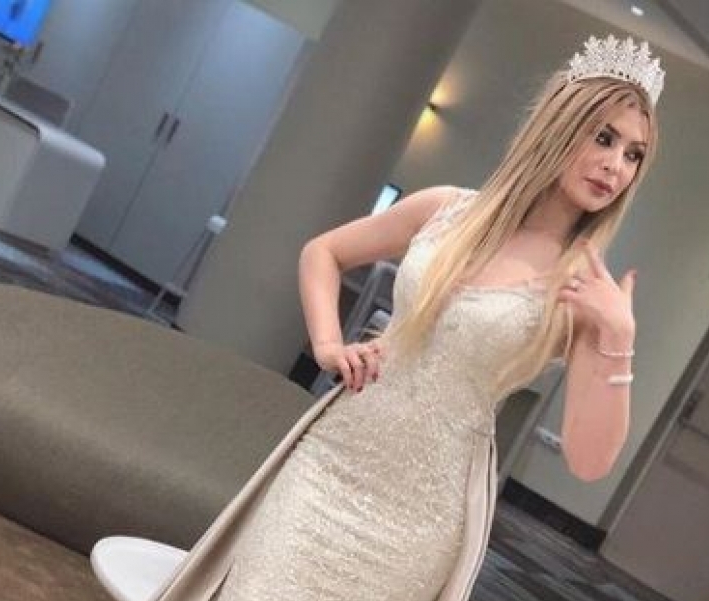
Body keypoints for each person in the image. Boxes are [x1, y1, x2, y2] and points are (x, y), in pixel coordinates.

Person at [154, 34, 665, 601]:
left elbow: (590, 462)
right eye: (604, 137)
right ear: (558, 127)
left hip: (421, 518)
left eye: (633, 155)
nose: (615, 165)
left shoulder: (583, 290)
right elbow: (324, 252)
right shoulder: (446, 210)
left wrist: (619, 335)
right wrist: (328, 346)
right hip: (330, 460)